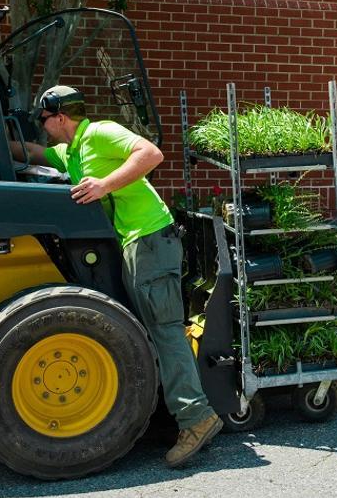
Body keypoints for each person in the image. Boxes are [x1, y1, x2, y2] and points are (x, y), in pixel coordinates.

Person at [12, 85, 222, 468]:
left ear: (60, 117)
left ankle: (197, 418)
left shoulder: (101, 132)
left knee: (164, 331)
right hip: (135, 243)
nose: (42, 127)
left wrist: (104, 185)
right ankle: (176, 413)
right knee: (148, 330)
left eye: (44, 120)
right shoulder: (72, 152)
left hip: (151, 239)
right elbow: (35, 154)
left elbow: (151, 154)